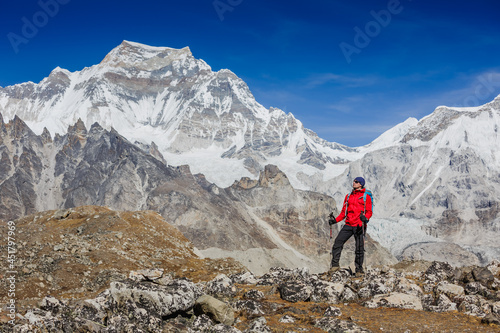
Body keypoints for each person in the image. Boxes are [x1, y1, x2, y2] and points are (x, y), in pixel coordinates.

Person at [328, 176, 372, 276]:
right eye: (354, 181)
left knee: (359, 248)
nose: (354, 183)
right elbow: (344, 212)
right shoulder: (348, 196)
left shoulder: (366, 197)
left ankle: (359, 270)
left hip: (359, 225)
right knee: (337, 243)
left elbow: (369, 211)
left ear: (361, 184)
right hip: (348, 224)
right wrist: (335, 220)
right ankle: (335, 266)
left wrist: (365, 218)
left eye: (356, 182)